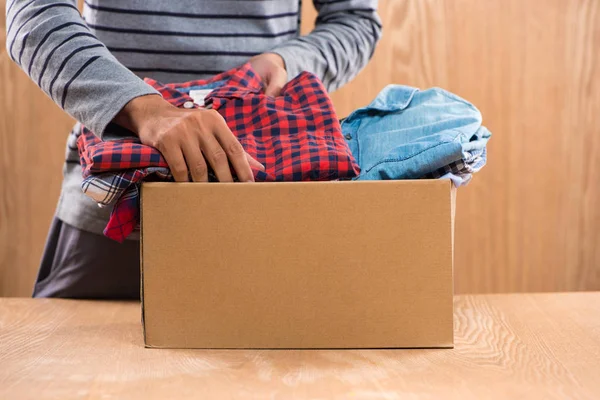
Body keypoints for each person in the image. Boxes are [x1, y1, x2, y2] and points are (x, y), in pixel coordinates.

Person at [6, 0, 382, 299]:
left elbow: (354, 18)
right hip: (116, 206)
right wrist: (144, 109)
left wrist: (286, 62)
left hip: (266, 205)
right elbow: (33, 11)